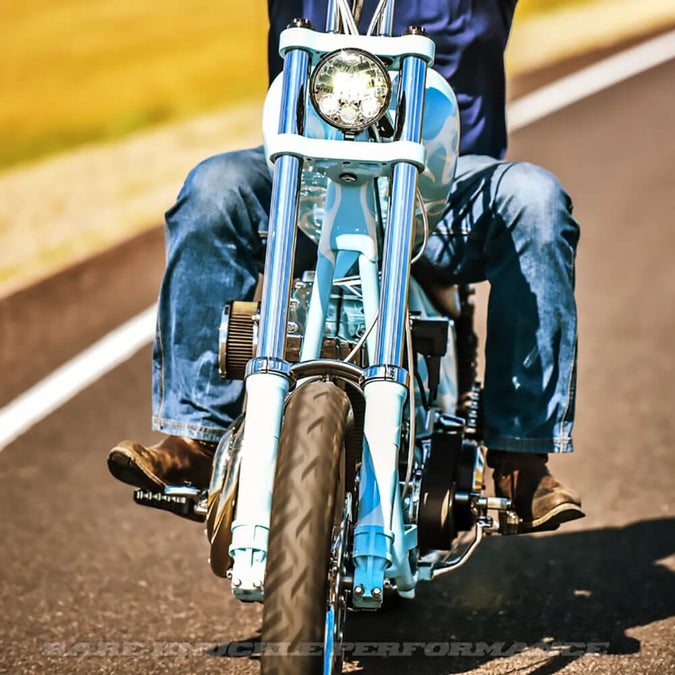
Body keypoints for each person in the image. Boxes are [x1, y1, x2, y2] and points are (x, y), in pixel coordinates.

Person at [107, 0, 584, 534]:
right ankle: (197, 437)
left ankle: (521, 456)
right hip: (306, 176)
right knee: (213, 191)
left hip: (444, 186)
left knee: (536, 201)